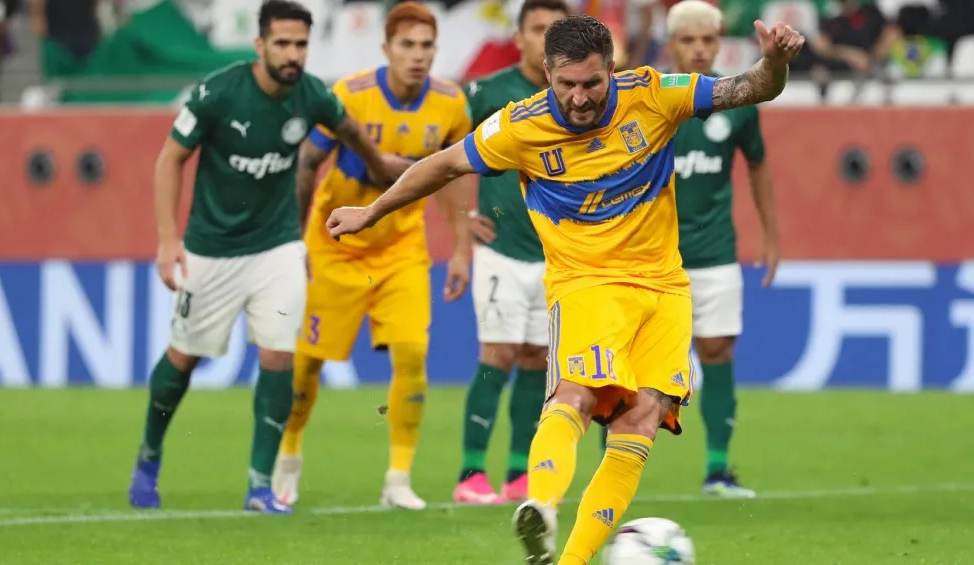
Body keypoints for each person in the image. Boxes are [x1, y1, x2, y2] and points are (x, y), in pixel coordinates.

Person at [325, 13, 803, 563]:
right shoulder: (520, 126)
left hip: (665, 287)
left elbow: (749, 88)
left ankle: (570, 560)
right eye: (566, 85)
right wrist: (374, 210)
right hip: (585, 284)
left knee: (640, 421)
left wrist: (775, 62)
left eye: (591, 84)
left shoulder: (653, 93)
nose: (578, 98)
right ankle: (542, 504)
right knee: (574, 395)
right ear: (547, 73)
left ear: (612, 71)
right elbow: (445, 164)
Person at [127, 0, 402, 515]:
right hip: (211, 250)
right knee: (183, 358)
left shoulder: (312, 94)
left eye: (300, 44)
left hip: (277, 248)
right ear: (260, 46)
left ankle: (260, 485)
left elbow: (349, 129)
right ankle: (149, 453)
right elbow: (170, 159)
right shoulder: (219, 93)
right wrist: (168, 241)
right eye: (282, 43)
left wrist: (378, 164)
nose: (293, 53)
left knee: (279, 356)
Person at [271, 1, 473, 511]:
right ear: (386, 49)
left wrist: (462, 247)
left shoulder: (450, 103)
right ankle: (288, 455)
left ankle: (398, 478)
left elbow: (454, 177)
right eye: (407, 45)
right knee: (307, 365)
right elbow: (308, 163)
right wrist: (296, 241)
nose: (418, 56)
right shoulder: (350, 96)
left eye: (427, 46)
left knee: (411, 354)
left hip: (401, 245)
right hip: (335, 245)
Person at [598, 0, 779, 499]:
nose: (699, 50)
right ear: (671, 45)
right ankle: (608, 465)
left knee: (718, 350)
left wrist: (771, 234)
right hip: (643, 257)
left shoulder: (737, 100)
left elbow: (758, 166)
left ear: (719, 42)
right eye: (688, 41)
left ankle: (719, 469)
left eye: (708, 40)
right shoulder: (643, 97)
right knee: (623, 364)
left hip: (714, 251)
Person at [453, 0, 570, 507]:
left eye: (555, 31)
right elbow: (444, 154)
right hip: (501, 250)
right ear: (519, 36)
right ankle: (470, 472)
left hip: (557, 253)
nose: (545, 39)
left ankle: (520, 474)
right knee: (497, 354)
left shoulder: (577, 97)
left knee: (537, 359)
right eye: (537, 29)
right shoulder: (486, 93)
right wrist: (460, 219)